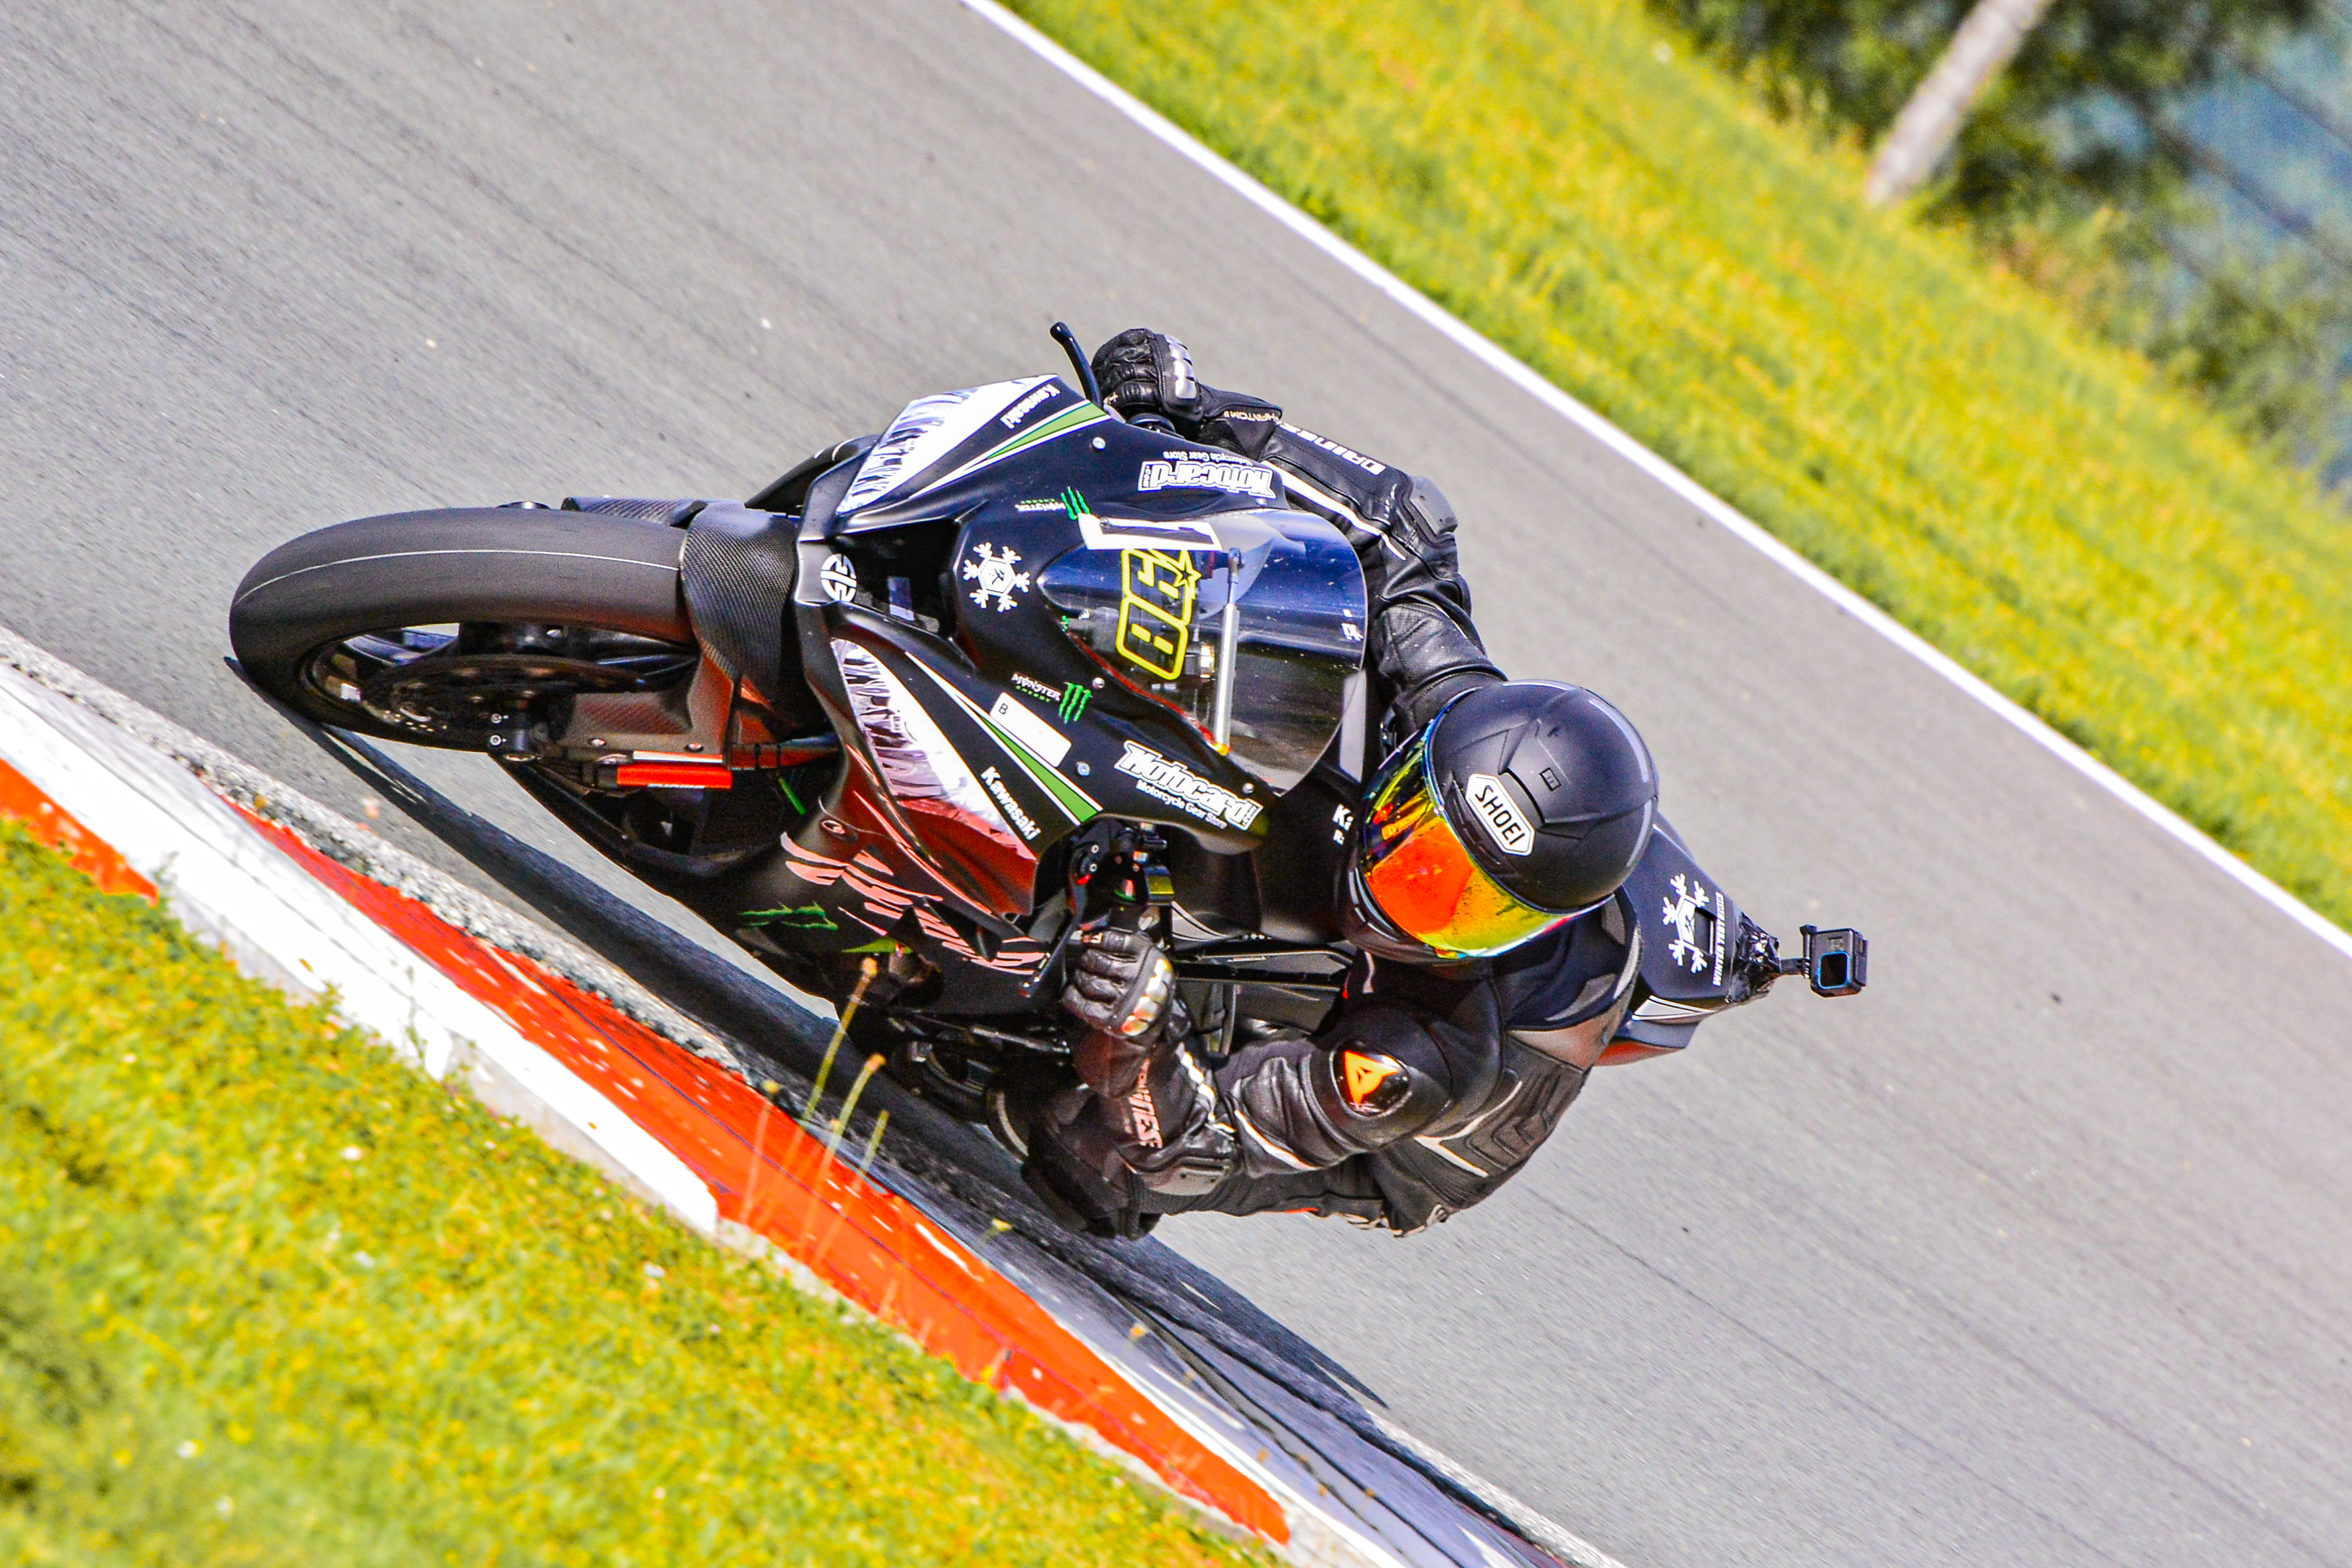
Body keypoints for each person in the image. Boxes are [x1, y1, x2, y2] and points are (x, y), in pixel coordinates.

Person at [1017, 331, 1793, 1238]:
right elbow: (1403, 526)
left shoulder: (1433, 1052)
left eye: (1460, 902)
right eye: (1419, 835)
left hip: (1399, 1139)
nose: (1406, 887)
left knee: (1095, 1158)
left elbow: (1204, 1144)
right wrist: (1196, 415)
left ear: (1518, 930)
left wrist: (1137, 1039)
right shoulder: (1453, 712)